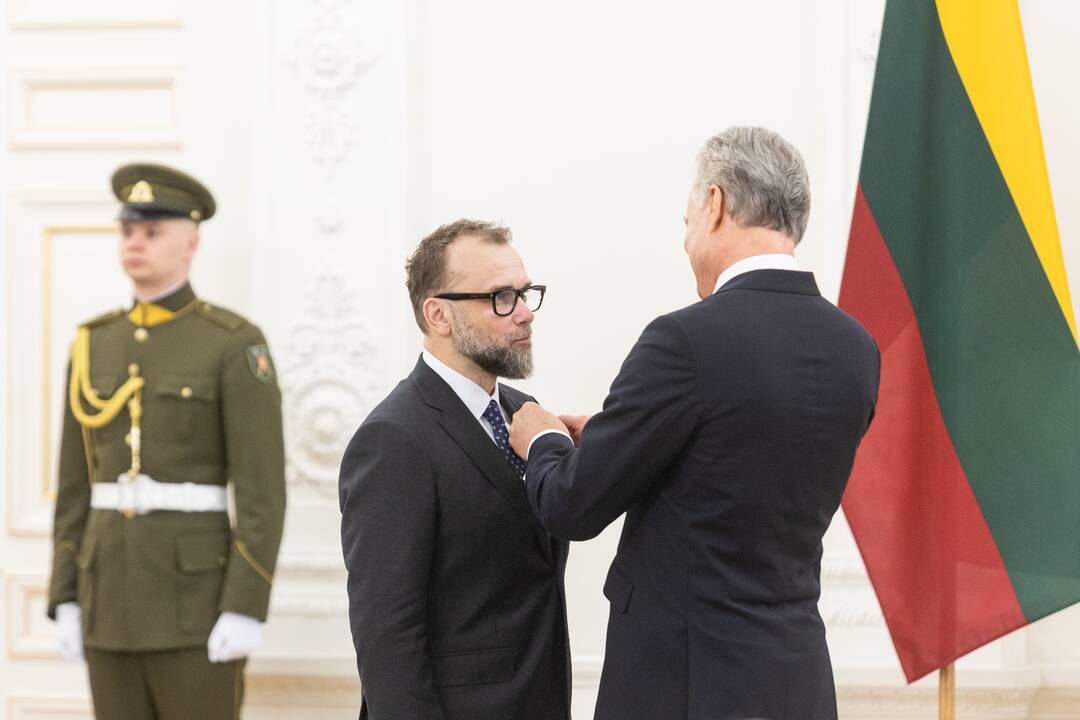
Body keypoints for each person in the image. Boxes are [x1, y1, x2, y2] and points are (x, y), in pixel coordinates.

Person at [509, 127, 881, 720]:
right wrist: (622, 436)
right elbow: (747, 463)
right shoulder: (857, 349)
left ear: (714, 204)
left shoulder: (684, 340)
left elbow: (571, 508)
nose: (685, 241)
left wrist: (545, 440)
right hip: (797, 681)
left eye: (686, 220)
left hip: (683, 686)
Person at [46, 163, 287, 719]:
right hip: (106, 596)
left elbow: (261, 491)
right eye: (128, 231)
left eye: (152, 232)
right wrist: (65, 593)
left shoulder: (232, 342)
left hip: (197, 604)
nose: (135, 243)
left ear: (191, 242)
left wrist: (246, 605)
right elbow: (74, 484)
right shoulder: (92, 344)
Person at [339, 219, 571, 720]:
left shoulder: (522, 412)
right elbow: (387, 635)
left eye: (526, 292)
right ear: (438, 314)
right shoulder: (393, 438)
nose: (525, 313)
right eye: (500, 297)